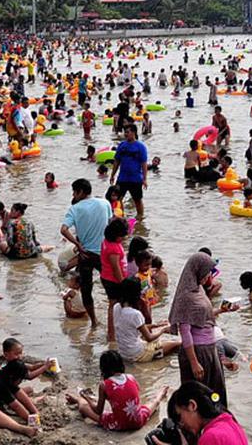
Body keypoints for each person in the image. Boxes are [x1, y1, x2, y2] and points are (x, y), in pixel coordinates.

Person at [169, 252, 233, 407]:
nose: (209, 276)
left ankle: (218, 424)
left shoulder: (199, 290)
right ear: (197, 270)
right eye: (206, 272)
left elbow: (202, 318)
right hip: (197, 352)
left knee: (216, 392)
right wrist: (194, 362)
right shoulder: (186, 296)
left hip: (210, 348)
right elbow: (185, 331)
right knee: (199, 395)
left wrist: (222, 311)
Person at [66, 350, 169, 431]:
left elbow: (98, 411)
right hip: (138, 421)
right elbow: (133, 396)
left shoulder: (104, 385)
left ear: (104, 369)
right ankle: (160, 394)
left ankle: (78, 399)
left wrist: (86, 398)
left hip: (119, 424)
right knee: (153, 403)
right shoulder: (131, 377)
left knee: (83, 407)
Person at [61, 177, 111, 328]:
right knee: (111, 288)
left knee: (87, 290)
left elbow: (64, 230)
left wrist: (77, 244)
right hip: (104, 254)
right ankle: (112, 322)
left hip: (86, 255)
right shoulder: (105, 203)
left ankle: (94, 322)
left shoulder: (75, 209)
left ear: (80, 192)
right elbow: (110, 225)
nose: (73, 196)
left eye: (74, 193)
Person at [156, 381, 249, 445]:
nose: (181, 425)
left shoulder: (211, 437)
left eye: (179, 417)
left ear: (192, 405)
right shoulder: (229, 420)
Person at [110, 124, 149, 218]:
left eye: (127, 132)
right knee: (118, 199)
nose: (126, 134)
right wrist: (112, 175)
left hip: (135, 179)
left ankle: (140, 218)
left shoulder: (140, 147)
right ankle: (122, 216)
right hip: (122, 178)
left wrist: (145, 179)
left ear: (133, 132)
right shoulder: (122, 146)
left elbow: (144, 164)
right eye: (125, 132)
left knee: (137, 200)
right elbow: (117, 161)